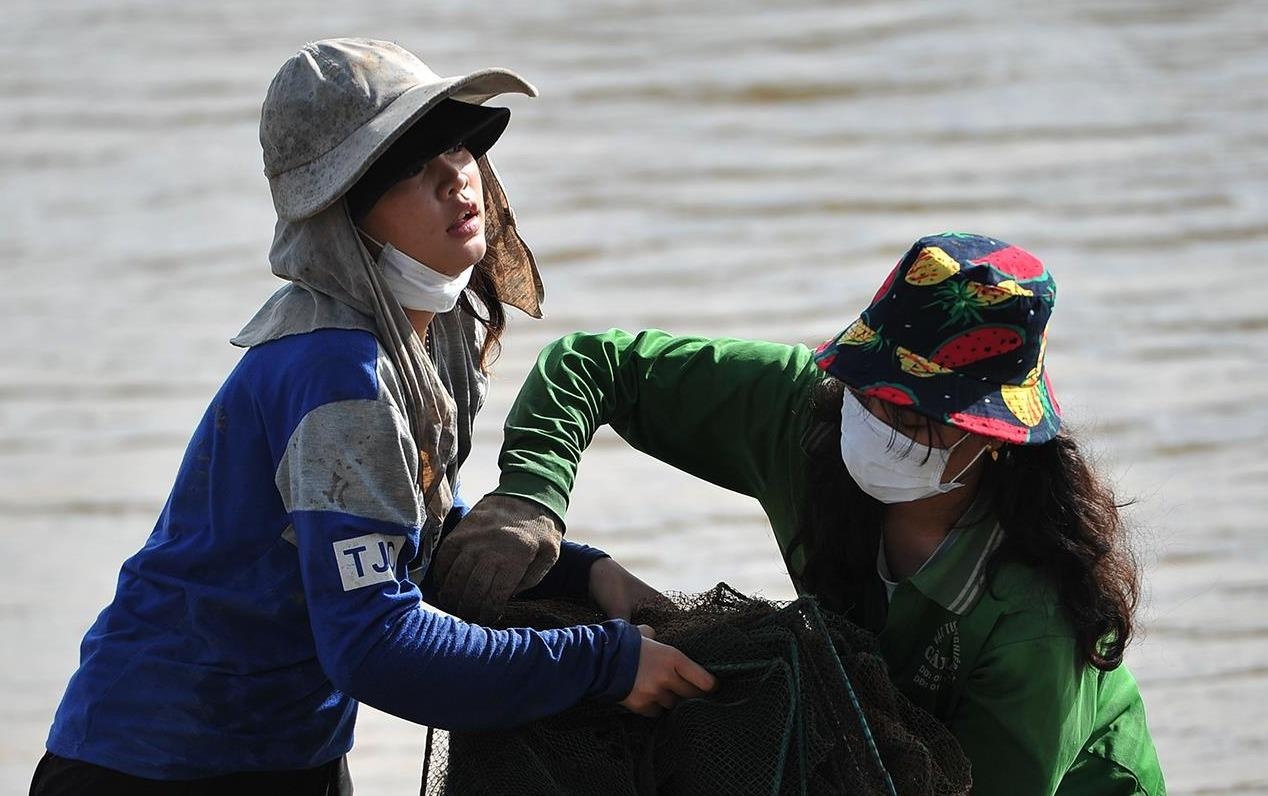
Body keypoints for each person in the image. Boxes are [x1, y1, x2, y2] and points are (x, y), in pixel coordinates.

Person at [31, 38, 712, 795]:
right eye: (410, 166)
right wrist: (602, 663)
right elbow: (376, 642)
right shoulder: (338, 375)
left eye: (457, 144)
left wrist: (585, 575)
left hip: (290, 748)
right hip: (159, 762)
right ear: (342, 219)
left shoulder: (426, 331)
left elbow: (405, 536)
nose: (456, 176)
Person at [439, 233, 1166, 794]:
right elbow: (597, 365)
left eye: (916, 418)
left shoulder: (1033, 614)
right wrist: (530, 496)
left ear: (993, 438)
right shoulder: (809, 415)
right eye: (871, 392)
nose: (878, 424)